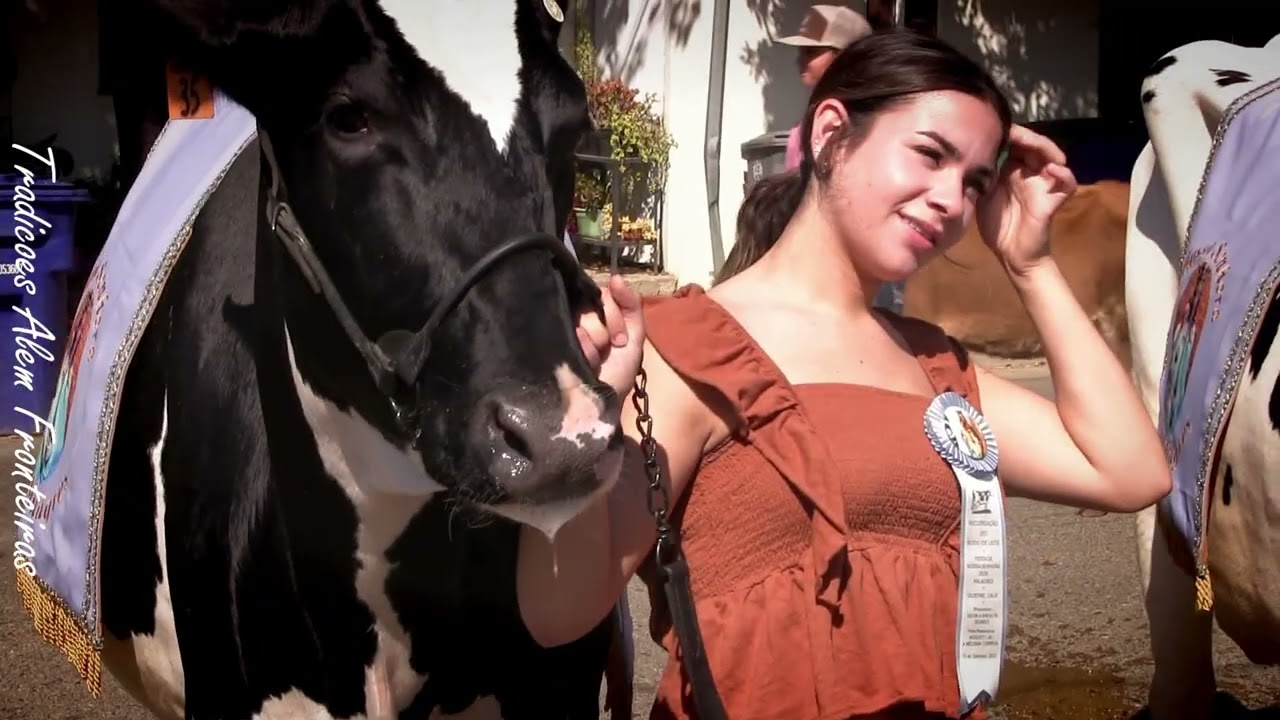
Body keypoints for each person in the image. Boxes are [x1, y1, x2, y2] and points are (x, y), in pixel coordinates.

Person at [519, 29, 1171, 720]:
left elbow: (1129, 472)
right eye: (929, 154)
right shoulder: (685, 350)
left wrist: (1030, 263)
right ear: (832, 131)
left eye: (975, 181)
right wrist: (586, 422)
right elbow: (558, 611)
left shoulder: (935, 367)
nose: (952, 200)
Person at [778, 5, 874, 173]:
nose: (799, 60)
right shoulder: (811, 117)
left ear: (844, 56)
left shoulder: (860, 118)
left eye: (810, 52)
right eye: (801, 51)